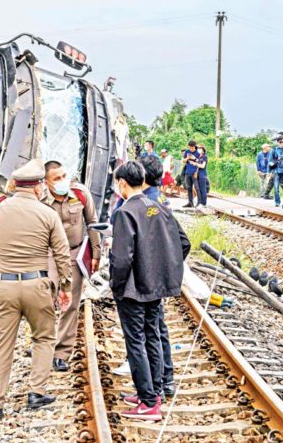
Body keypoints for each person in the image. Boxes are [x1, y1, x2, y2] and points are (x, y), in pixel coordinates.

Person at [0, 159, 73, 420]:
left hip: (3, 285)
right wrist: (65, 287)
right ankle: (36, 392)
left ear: (16, 185)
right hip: (37, 285)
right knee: (44, 337)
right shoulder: (48, 214)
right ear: (39, 186)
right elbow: (62, 255)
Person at [109, 161, 190, 421]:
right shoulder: (159, 207)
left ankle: (148, 402)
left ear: (122, 183)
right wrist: (163, 268)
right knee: (152, 336)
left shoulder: (125, 213)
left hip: (133, 290)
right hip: (156, 287)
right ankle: (153, 392)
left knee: (136, 342)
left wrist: (116, 286)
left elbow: (121, 259)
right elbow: (184, 243)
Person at [41, 160, 101, 372]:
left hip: (75, 253)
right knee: (45, 301)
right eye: (56, 179)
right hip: (49, 254)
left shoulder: (80, 193)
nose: (62, 181)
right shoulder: (40, 199)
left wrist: (96, 252)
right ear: (47, 182)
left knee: (71, 303)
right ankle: (44, 346)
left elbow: (92, 222)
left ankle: (62, 352)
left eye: (64, 176)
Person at [181, 141, 200, 207]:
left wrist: (196, 172)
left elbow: (200, 163)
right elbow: (183, 161)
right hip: (187, 172)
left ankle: (199, 203)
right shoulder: (187, 152)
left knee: (197, 188)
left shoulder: (198, 153)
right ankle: (190, 203)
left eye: (192, 148)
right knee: (189, 188)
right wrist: (187, 158)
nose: (191, 149)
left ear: (195, 146)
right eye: (190, 148)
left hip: (195, 173)